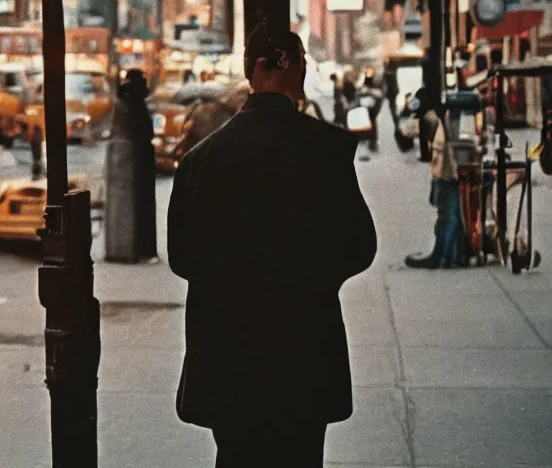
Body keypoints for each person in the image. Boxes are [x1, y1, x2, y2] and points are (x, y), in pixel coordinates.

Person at [168, 26, 377, 468]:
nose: (304, 74)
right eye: (301, 62)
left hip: (228, 353)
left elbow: (182, 257)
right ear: (282, 63)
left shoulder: (199, 160)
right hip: (303, 348)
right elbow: (359, 246)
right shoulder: (327, 147)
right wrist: (307, 282)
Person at [405, 108, 465, 269]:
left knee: (448, 215)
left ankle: (443, 256)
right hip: (448, 168)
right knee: (450, 214)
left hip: (447, 170)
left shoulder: (440, 113)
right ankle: (450, 255)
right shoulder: (443, 114)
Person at [116, 69, 158, 261]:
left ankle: (143, 249)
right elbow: (142, 133)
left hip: (138, 160)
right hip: (139, 160)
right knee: (144, 206)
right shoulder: (134, 104)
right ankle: (144, 249)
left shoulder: (129, 102)